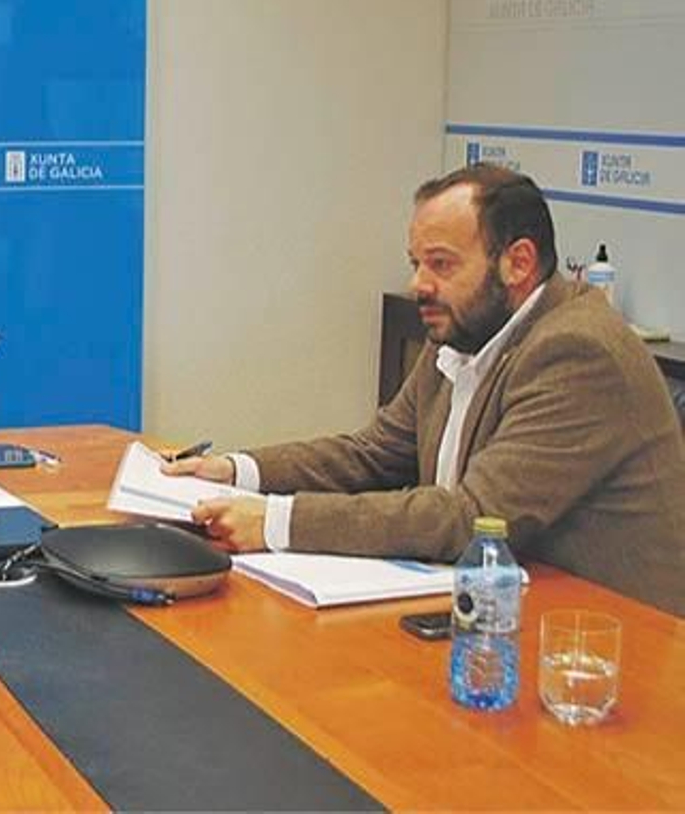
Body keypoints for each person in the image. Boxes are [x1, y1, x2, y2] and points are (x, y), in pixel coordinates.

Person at [164, 163, 685, 615]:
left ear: (519, 263)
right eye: (416, 264)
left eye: (441, 264)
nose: (419, 284)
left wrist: (278, 522)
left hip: (609, 647)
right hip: (500, 613)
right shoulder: (464, 332)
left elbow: (474, 518)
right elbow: (372, 454)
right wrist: (235, 471)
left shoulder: (577, 351)